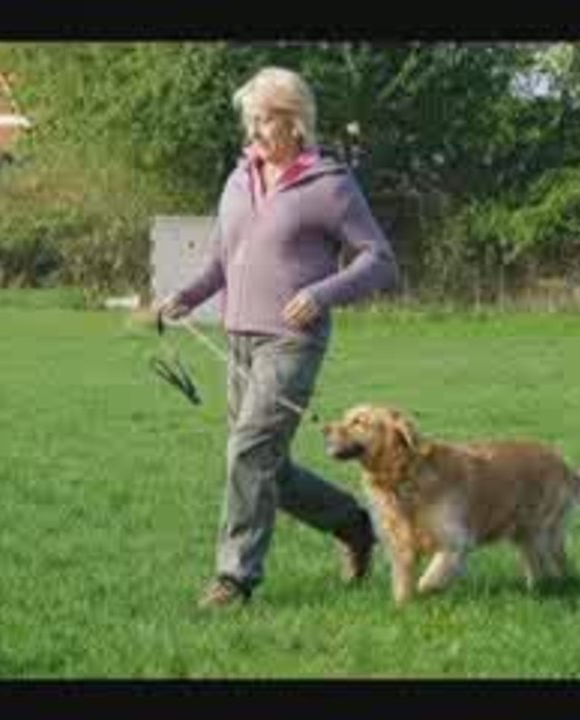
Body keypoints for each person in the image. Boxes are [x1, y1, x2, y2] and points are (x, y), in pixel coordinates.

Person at [155, 66, 399, 608]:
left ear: (296, 123)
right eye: (252, 120)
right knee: (270, 467)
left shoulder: (329, 183)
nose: (256, 131)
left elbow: (380, 261)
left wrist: (323, 293)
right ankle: (353, 525)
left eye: (267, 120)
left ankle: (234, 578)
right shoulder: (238, 179)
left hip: (292, 341)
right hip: (237, 338)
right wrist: (186, 298)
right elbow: (220, 261)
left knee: (248, 452)